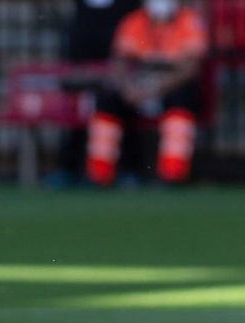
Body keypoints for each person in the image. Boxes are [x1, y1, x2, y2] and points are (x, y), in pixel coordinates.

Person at [85, 0, 208, 186]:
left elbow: (190, 67)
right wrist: (128, 88)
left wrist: (157, 88)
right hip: (139, 84)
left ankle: (173, 172)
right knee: (107, 101)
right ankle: (100, 173)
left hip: (170, 85)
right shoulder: (134, 21)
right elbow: (119, 61)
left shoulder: (188, 21)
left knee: (182, 99)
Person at [51, 0, 141, 187]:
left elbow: (125, 51)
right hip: (85, 79)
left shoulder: (127, 8)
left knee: (116, 110)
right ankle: (76, 170)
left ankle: (122, 171)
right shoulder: (80, 10)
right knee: (78, 118)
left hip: (117, 80)